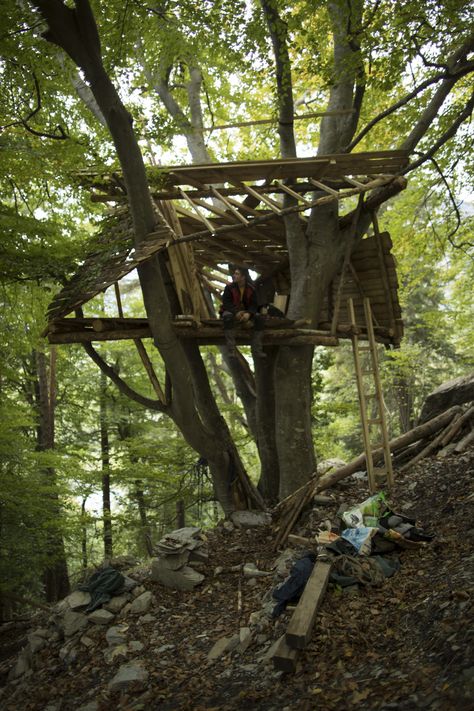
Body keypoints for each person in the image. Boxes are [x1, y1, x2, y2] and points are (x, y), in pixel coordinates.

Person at [220, 267, 266, 359]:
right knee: (227, 317)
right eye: (235, 273)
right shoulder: (229, 288)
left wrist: (248, 313)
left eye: (237, 274)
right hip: (232, 312)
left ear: (243, 277)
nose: (234, 275)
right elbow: (226, 303)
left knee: (260, 318)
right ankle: (231, 350)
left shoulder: (251, 289)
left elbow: (254, 305)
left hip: (246, 314)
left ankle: (257, 349)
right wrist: (236, 312)